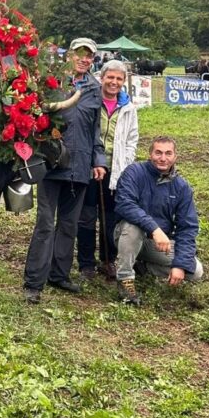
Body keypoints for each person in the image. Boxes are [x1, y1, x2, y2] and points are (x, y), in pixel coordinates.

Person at [23, 37, 106, 304]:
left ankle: (59, 275)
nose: (84, 59)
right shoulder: (52, 83)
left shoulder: (95, 88)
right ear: (69, 55)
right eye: (80, 54)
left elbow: (95, 129)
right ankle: (34, 283)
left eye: (89, 56)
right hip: (52, 163)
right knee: (46, 224)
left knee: (69, 224)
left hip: (81, 166)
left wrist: (98, 160)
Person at [112, 136, 203, 305]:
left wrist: (180, 265)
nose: (163, 158)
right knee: (133, 227)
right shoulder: (134, 172)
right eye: (158, 153)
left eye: (168, 153)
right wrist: (155, 229)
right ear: (150, 154)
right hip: (126, 236)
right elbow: (124, 204)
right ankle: (125, 280)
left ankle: (143, 268)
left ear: (175, 157)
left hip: (156, 244)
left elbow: (187, 228)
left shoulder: (182, 187)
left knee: (195, 271)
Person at [77, 60, 138, 281]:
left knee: (110, 217)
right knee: (86, 216)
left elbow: (132, 139)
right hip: (89, 167)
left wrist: (125, 165)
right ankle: (86, 264)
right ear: (101, 78)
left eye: (119, 79)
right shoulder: (91, 101)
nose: (114, 82)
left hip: (116, 170)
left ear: (124, 81)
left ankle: (107, 260)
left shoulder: (129, 108)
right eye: (110, 77)